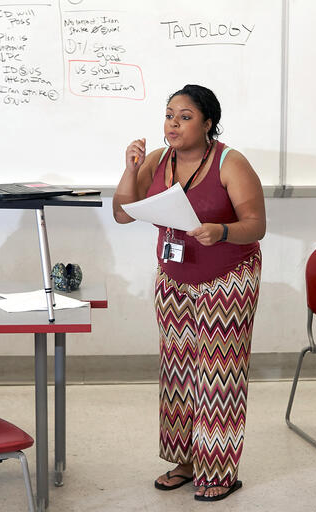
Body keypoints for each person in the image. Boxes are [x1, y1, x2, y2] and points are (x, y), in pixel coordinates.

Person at [112, 85, 265, 501]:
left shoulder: (231, 163)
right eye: (168, 116)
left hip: (228, 277)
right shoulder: (158, 160)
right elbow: (122, 214)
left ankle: (219, 471)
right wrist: (130, 170)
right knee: (178, 372)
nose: (173, 125)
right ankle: (185, 461)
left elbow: (256, 225)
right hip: (173, 278)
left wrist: (223, 231)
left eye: (185, 117)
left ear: (208, 123)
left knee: (218, 373)